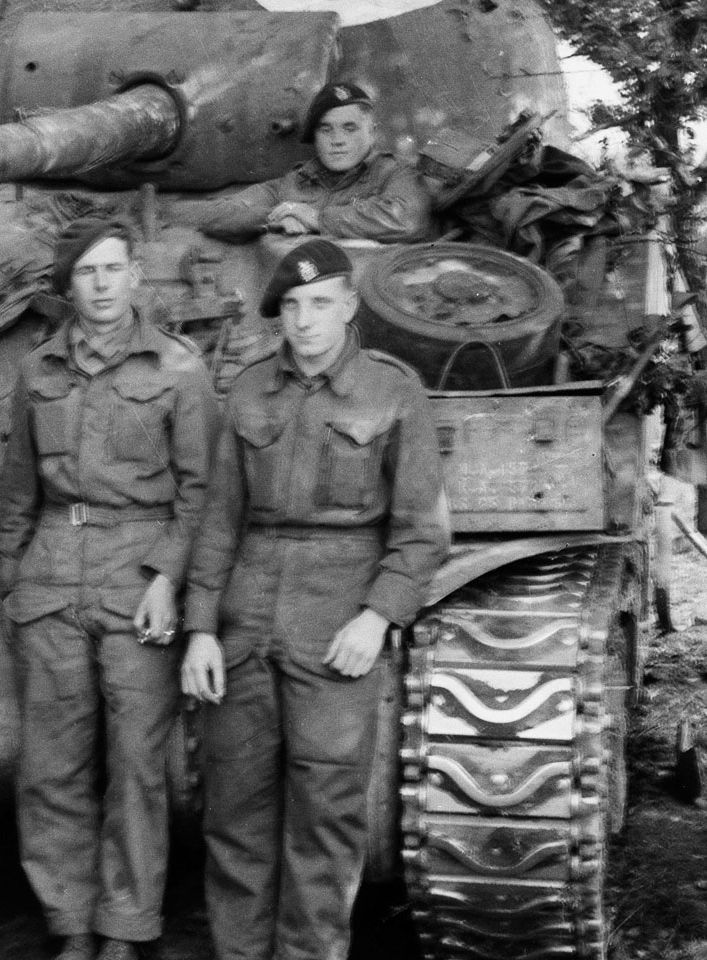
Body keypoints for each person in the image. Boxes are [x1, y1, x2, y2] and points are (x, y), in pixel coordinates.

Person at [180, 238, 450, 960]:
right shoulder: (247, 389)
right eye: (293, 306)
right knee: (234, 812)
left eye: (320, 303)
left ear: (350, 306)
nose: (304, 320)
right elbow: (218, 519)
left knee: (325, 813)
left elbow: (422, 531)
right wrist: (201, 627)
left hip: (336, 617)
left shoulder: (393, 391)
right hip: (245, 617)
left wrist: (377, 614)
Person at [0, 218, 220, 960]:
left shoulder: (180, 368)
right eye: (87, 272)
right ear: (69, 285)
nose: (101, 283)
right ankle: (70, 920)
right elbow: (17, 494)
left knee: (135, 763)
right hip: (52, 571)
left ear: (135, 277)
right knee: (50, 764)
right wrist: (12, 581)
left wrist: (168, 579)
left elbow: (201, 493)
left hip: (139, 570)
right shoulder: (37, 371)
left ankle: (125, 927)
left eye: (114, 269)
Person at [198, 82, 432, 244]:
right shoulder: (295, 182)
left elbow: (406, 220)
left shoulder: (396, 173)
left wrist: (316, 218)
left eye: (350, 129)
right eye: (325, 129)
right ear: (314, 137)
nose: (337, 140)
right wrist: (279, 217)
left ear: (372, 133)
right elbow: (215, 215)